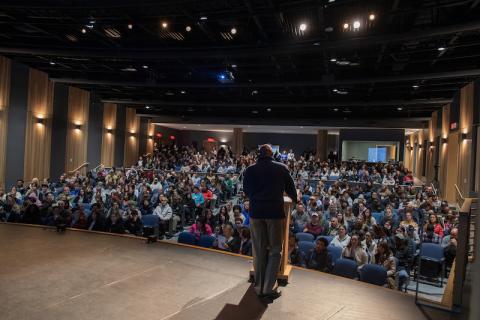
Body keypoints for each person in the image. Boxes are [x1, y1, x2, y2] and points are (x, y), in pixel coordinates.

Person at [243, 144, 297, 300]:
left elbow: (246, 191)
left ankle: (258, 286)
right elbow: (291, 190)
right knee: (275, 250)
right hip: (274, 213)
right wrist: (293, 201)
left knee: (259, 250)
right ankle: (268, 288)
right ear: (271, 153)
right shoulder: (281, 168)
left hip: (256, 213)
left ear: (259, 154)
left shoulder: (250, 170)